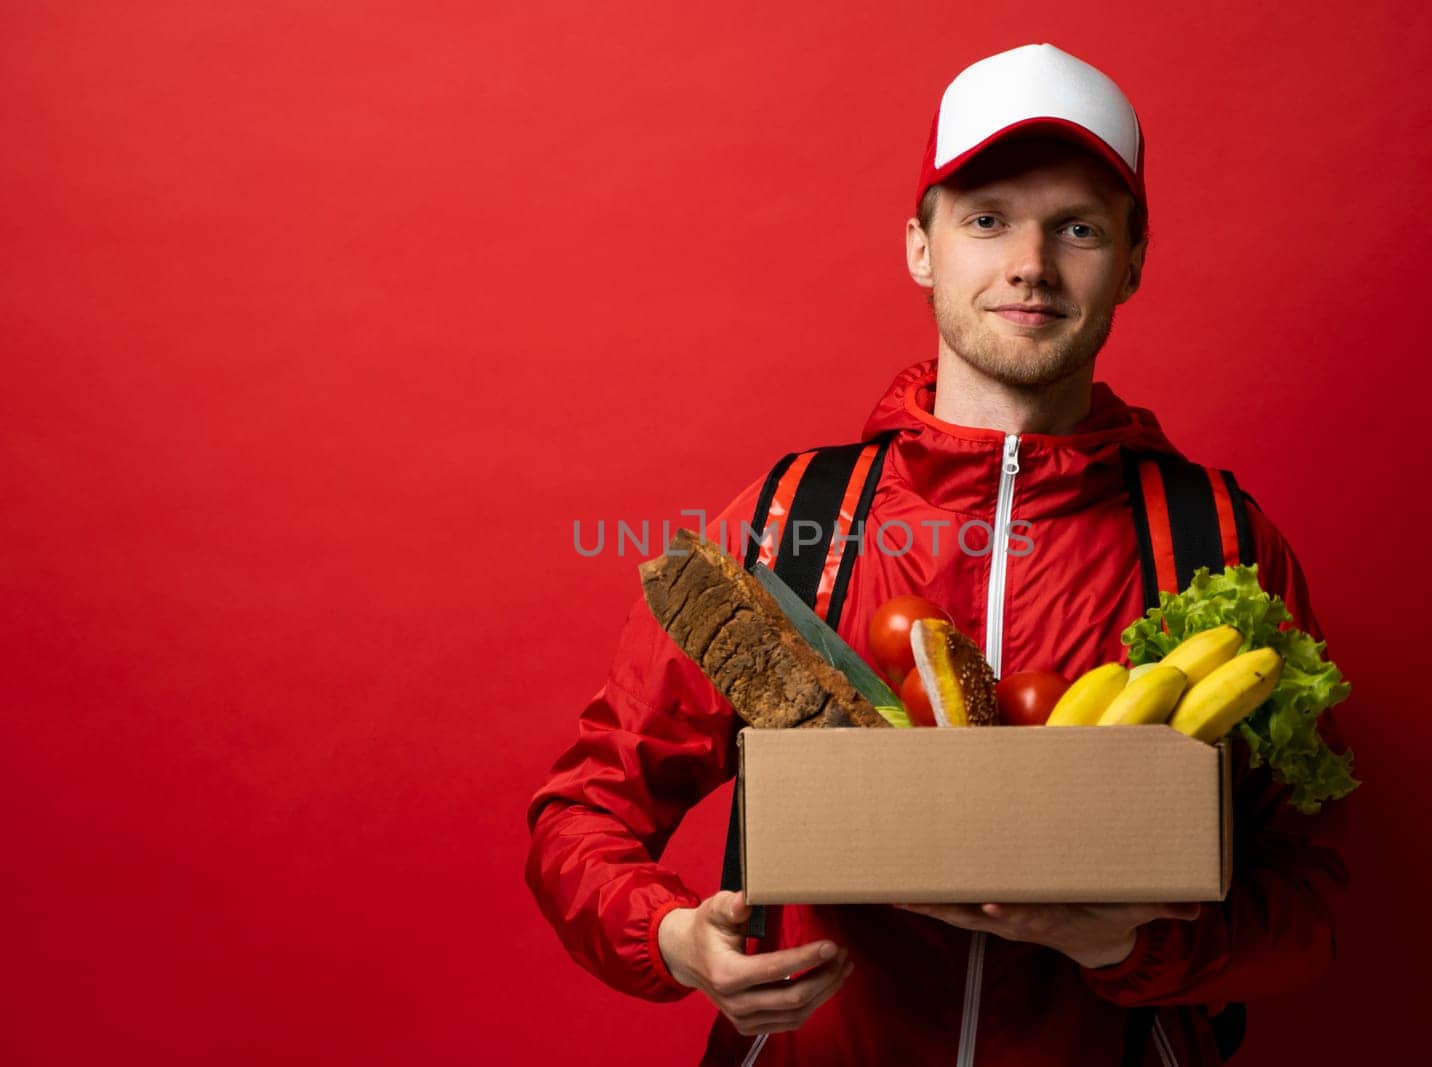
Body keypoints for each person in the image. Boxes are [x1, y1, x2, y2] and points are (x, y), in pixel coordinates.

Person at [526, 43, 1349, 1066]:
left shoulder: (1218, 543)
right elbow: (585, 808)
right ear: (921, 247)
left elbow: (1312, 899)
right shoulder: (789, 521)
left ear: (1133, 259)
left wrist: (1140, 947)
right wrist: (674, 935)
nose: (1030, 264)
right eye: (987, 218)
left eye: (1078, 227)